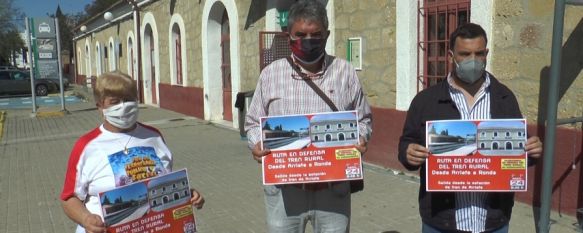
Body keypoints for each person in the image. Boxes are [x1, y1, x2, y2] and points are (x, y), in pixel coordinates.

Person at [398, 23, 543, 233]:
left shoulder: (504, 98)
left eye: (479, 53)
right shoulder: (425, 101)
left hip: (493, 221)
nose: (472, 60)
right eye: (464, 54)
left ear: (487, 54)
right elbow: (406, 145)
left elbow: (518, 149)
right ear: (450, 56)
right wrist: (408, 153)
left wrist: (532, 151)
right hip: (441, 221)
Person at [244, 1, 372, 232]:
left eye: (315, 35)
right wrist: (257, 143)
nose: (308, 40)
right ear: (288, 36)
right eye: (300, 34)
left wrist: (361, 136)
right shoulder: (270, 74)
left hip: (333, 190)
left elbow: (363, 120)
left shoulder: (345, 72)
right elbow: (252, 123)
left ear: (327, 35)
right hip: (285, 192)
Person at [60, 72, 204, 233]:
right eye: (115, 102)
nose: (124, 106)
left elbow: (165, 182)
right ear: (100, 107)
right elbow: (68, 198)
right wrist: (86, 219)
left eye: (129, 99)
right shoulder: (86, 146)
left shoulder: (153, 136)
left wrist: (185, 194)